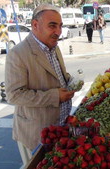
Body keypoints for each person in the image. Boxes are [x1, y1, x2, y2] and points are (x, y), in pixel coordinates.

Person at [5, 4, 75, 166]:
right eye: (52, 26)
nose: (58, 32)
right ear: (35, 25)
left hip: (60, 129)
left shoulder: (54, 47)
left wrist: (72, 82)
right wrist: (55, 96)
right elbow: (14, 95)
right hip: (36, 136)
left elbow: (58, 77)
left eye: (60, 26)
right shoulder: (18, 54)